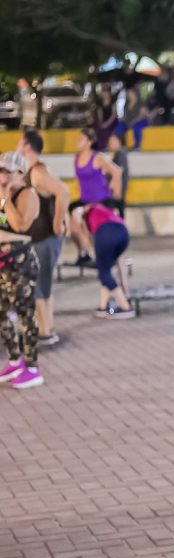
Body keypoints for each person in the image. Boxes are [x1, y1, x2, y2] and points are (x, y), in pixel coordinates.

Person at [18, 129, 69, 347]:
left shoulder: (38, 172)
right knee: (43, 284)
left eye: (20, 142)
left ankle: (45, 331)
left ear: (27, 146)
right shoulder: (31, 172)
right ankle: (47, 327)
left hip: (45, 237)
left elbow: (63, 192)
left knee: (39, 285)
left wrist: (58, 224)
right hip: (40, 238)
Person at [0, 152, 44, 389]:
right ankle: (15, 359)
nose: (4, 177)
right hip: (4, 263)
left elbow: (20, 225)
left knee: (25, 314)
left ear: (20, 173)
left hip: (22, 263)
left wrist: (5, 199)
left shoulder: (28, 194)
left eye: (8, 172)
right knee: (2, 312)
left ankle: (32, 367)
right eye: (1, 171)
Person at [71, 203, 134, 318]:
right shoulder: (98, 207)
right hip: (124, 233)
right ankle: (103, 307)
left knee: (103, 273)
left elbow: (86, 239)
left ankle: (125, 307)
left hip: (106, 234)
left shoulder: (83, 217)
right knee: (107, 270)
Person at [69, 129, 121, 266]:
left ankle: (99, 255)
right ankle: (84, 254)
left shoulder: (97, 158)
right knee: (73, 227)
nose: (77, 141)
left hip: (101, 200)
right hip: (85, 200)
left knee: (90, 227)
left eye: (81, 139)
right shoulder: (76, 159)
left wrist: (115, 190)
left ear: (89, 142)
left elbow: (116, 172)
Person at [107, 134, 129, 217]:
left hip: (117, 191)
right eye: (109, 143)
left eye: (112, 142)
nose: (109, 145)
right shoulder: (117, 154)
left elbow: (119, 171)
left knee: (117, 214)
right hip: (117, 190)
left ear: (118, 142)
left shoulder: (120, 154)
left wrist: (112, 187)